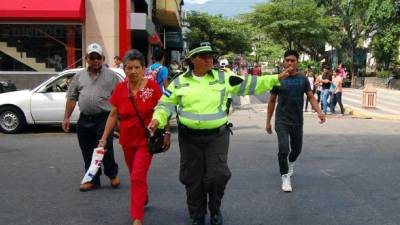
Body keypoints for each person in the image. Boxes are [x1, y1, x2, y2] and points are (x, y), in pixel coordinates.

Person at [148, 42, 290, 225]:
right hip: (188, 138)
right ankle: (197, 215)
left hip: (217, 136)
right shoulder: (179, 81)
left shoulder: (224, 78)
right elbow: (165, 104)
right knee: (192, 179)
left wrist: (276, 77)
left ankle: (215, 209)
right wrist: (157, 119)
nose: (209, 60)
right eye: (203, 56)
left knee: (217, 176)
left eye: (210, 56)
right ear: (192, 59)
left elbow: (250, 83)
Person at [98, 50, 170, 225]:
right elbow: (113, 115)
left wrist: (166, 132)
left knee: (137, 175)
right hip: (127, 140)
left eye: (137, 67)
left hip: (147, 140)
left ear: (143, 68)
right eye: (129, 67)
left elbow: (164, 110)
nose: (133, 71)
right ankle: (143, 196)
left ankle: (137, 217)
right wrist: (103, 138)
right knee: (134, 174)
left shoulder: (152, 87)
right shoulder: (121, 89)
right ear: (124, 69)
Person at [62, 43, 120, 192]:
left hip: (104, 118)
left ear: (103, 58)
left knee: (105, 147)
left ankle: (112, 174)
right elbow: (72, 98)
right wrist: (66, 117)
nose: (95, 60)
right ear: (87, 58)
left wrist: (119, 120)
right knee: (87, 150)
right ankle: (93, 179)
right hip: (84, 119)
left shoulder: (112, 76)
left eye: (98, 57)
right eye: (92, 57)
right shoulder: (78, 76)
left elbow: (119, 99)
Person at [266, 50, 326, 192]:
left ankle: (291, 162)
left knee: (297, 150)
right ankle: (285, 176)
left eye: (293, 60)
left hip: (297, 121)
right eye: (287, 60)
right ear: (283, 62)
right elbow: (272, 100)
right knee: (283, 149)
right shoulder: (278, 79)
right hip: (281, 120)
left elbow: (311, 96)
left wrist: (319, 111)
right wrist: (268, 121)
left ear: (297, 62)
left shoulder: (303, 79)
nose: (290, 63)